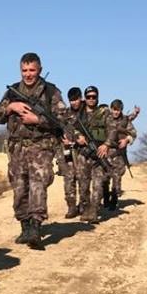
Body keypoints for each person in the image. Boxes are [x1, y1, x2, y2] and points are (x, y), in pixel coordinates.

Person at [0, 53, 69, 250]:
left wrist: (38, 120)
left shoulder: (51, 92)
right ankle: (25, 226)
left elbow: (62, 119)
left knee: (38, 185)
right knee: (19, 188)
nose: (28, 74)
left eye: (32, 70)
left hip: (41, 146)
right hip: (17, 147)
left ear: (40, 70)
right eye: (24, 70)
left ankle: (36, 227)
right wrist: (11, 106)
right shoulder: (12, 92)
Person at [74, 85, 116, 223]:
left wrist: (107, 144)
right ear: (84, 98)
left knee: (98, 183)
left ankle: (94, 210)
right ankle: (85, 209)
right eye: (88, 97)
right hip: (83, 154)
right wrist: (77, 136)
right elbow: (68, 127)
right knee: (83, 184)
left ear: (97, 97)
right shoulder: (78, 113)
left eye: (94, 97)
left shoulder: (105, 112)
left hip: (99, 152)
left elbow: (112, 129)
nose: (91, 99)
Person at [105, 99, 137, 210]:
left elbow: (133, 133)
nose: (116, 112)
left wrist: (126, 140)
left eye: (118, 110)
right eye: (114, 109)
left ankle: (114, 200)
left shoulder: (125, 120)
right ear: (111, 109)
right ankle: (105, 198)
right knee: (105, 176)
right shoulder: (106, 118)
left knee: (117, 176)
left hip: (119, 152)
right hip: (106, 151)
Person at [57, 86, 84, 218]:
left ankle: (84, 205)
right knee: (69, 180)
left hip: (82, 152)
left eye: (76, 99)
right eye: (71, 100)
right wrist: (63, 140)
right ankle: (71, 207)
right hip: (67, 151)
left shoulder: (87, 113)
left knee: (83, 179)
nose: (73, 102)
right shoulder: (65, 115)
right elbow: (57, 129)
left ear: (81, 98)